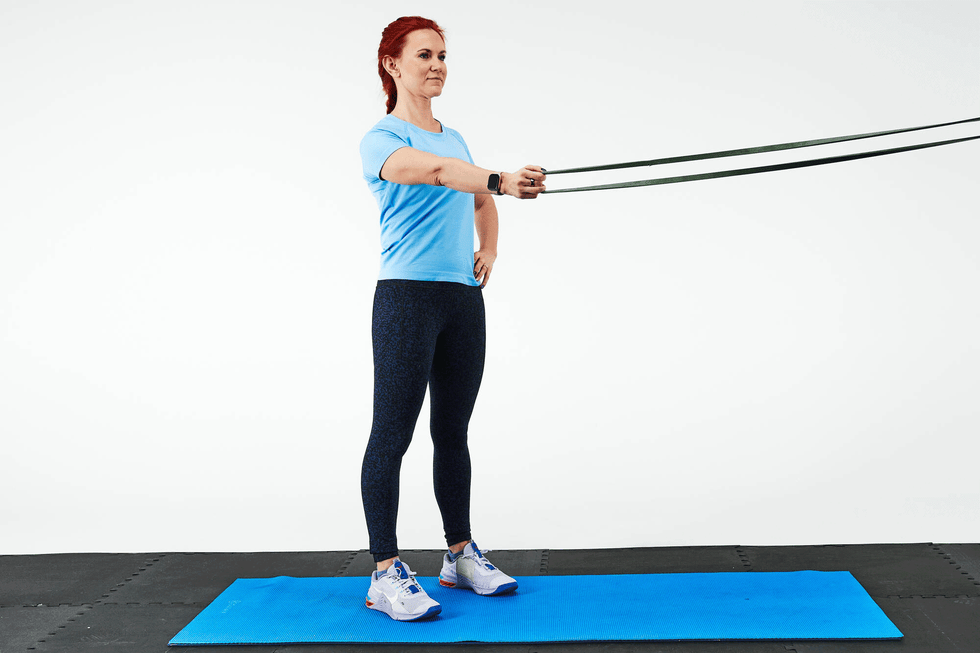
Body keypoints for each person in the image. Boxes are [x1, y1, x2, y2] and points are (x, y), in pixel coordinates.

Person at [358, 16, 546, 622]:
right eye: (424, 55)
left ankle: (459, 554)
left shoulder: (456, 138)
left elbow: (480, 198)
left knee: (452, 432)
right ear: (393, 64)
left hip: (461, 301)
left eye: (443, 55)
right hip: (406, 300)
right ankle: (384, 571)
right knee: (393, 433)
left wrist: (488, 249)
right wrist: (498, 177)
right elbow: (440, 174)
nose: (437, 65)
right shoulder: (381, 139)